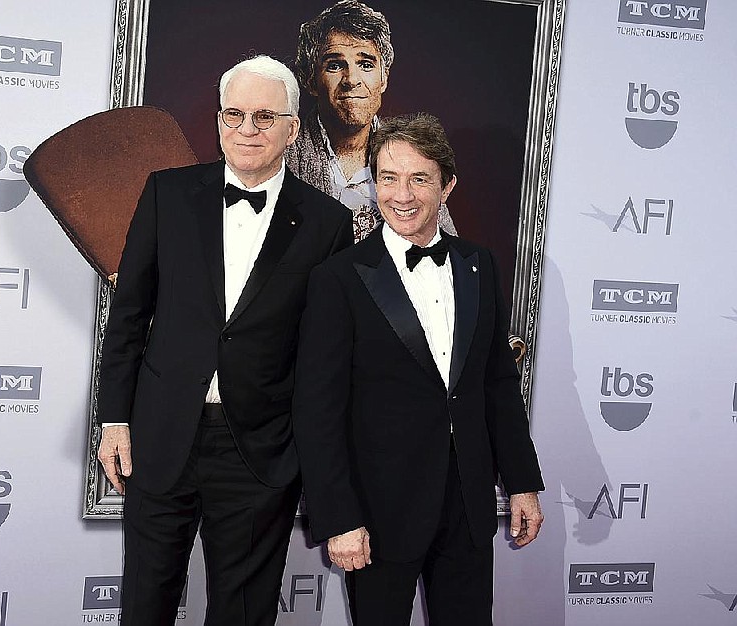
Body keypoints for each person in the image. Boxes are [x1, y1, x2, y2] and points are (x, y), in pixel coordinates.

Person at [95, 55, 353, 626]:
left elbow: (324, 357)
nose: (247, 129)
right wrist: (114, 419)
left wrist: (306, 456)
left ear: (292, 127)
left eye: (265, 117)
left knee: (243, 614)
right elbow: (130, 316)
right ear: (217, 121)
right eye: (234, 114)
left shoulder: (327, 223)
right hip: (162, 437)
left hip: (259, 451)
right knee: (144, 605)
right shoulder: (167, 193)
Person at [292, 113, 544, 625]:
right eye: (388, 178)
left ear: (447, 185)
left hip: (467, 507)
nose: (400, 195)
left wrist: (521, 482)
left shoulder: (479, 264)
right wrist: (338, 517)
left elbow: (497, 383)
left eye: (419, 179)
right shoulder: (339, 278)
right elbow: (317, 410)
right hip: (379, 512)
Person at [286, 0, 456, 242]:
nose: (351, 79)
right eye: (334, 65)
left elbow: (444, 246)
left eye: (365, 64)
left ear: (383, 79)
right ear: (311, 80)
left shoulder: (412, 154)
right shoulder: (281, 154)